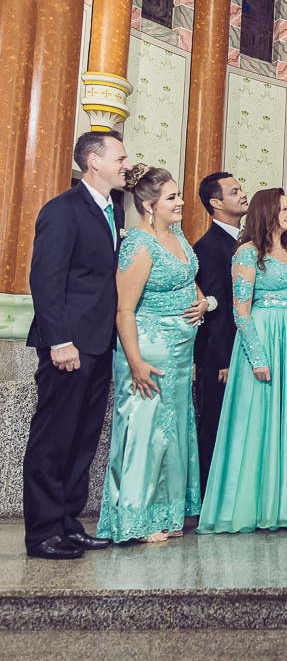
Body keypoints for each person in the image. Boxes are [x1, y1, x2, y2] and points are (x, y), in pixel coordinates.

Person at [24, 131, 131, 559]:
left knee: (83, 438)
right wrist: (60, 340)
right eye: (120, 157)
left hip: (99, 343)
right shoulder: (63, 210)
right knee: (54, 438)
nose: (126, 164)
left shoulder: (115, 212)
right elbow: (45, 280)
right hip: (68, 345)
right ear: (93, 161)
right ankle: (42, 532)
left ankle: (69, 522)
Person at [198, 189, 287, 533]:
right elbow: (241, 312)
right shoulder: (246, 253)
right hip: (265, 339)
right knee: (260, 419)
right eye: (285, 209)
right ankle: (254, 504)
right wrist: (257, 357)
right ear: (269, 213)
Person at [96, 165, 205, 543]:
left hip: (179, 351)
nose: (180, 202)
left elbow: (189, 279)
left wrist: (203, 302)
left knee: (171, 432)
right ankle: (133, 522)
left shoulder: (177, 235)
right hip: (148, 347)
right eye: (172, 197)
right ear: (148, 204)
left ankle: (164, 516)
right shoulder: (139, 243)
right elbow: (124, 310)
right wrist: (136, 362)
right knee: (145, 431)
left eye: (178, 195)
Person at [192, 171, 248, 491]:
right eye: (234, 191)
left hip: (242, 349)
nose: (243, 194)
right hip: (220, 357)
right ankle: (209, 496)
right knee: (214, 424)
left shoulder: (244, 240)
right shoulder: (209, 246)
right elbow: (217, 308)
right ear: (216, 202)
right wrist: (223, 359)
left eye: (241, 189)